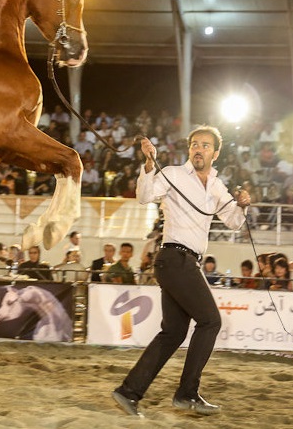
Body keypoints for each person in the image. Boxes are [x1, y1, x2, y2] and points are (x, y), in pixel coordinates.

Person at [113, 126, 251, 418]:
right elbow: (144, 195)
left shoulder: (216, 185)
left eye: (205, 145)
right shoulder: (173, 174)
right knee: (211, 321)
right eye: (194, 144)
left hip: (183, 263)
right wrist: (149, 164)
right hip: (175, 259)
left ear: (215, 153)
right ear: (190, 149)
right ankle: (187, 393)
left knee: (173, 332)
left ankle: (129, 391)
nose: (198, 149)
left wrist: (243, 205)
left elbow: (234, 222)